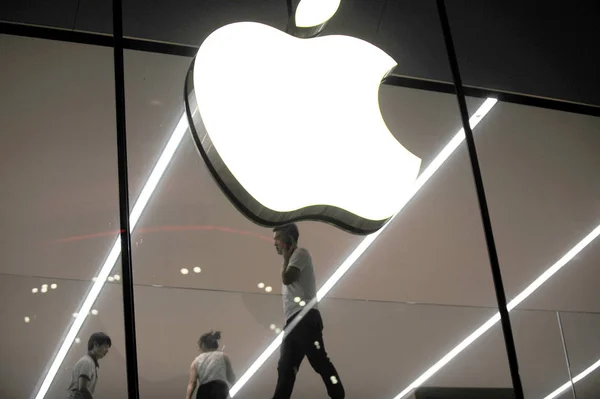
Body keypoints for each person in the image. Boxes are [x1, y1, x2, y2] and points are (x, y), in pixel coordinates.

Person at [271, 223, 345, 399]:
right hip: (293, 321)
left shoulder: (300, 254)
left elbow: (287, 278)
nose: (274, 243)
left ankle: (338, 395)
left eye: (277, 239)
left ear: (289, 239)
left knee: (318, 360)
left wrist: (286, 258)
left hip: (304, 317)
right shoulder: (294, 257)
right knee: (285, 367)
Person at [186, 330, 236, 399]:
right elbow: (231, 376)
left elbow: (192, 383)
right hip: (220, 388)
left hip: (204, 391)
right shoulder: (223, 356)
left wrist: (188, 397)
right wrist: (233, 384)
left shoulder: (196, 361)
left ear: (203, 345)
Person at [67, 332, 111, 399]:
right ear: (96, 344)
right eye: (105, 346)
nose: (107, 351)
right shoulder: (87, 362)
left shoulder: (89, 362)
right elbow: (83, 388)